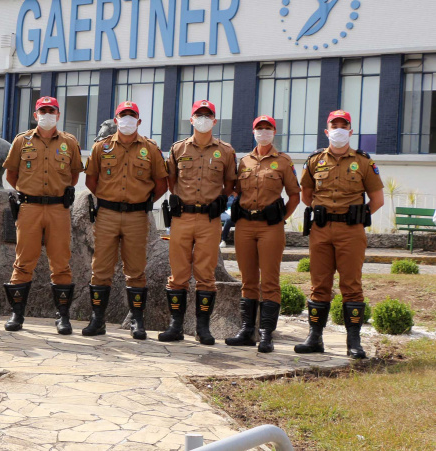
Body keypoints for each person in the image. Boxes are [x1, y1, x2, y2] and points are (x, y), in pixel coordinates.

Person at [295, 110, 384, 359]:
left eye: (343, 126)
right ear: (327, 131)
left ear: (351, 131)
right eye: (334, 126)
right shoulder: (314, 160)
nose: (339, 130)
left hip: (351, 231)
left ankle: (353, 342)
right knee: (319, 284)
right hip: (321, 230)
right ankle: (315, 338)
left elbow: (377, 200)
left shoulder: (364, 162)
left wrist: (357, 215)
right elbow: (306, 195)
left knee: (351, 285)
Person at [83, 101, 168, 338]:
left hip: (137, 216)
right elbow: (91, 180)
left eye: (132, 116)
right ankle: (97, 320)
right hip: (107, 214)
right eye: (123, 115)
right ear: (116, 119)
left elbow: (162, 184)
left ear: (139, 122)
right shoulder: (102, 147)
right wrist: (108, 199)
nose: (128, 120)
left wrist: (142, 201)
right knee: (100, 269)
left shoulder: (150, 149)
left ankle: (137, 322)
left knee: (136, 270)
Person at [2, 96, 83, 334]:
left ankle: (63, 317)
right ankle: (17, 314)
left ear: (58, 115)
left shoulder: (69, 142)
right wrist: (30, 192)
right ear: (35, 115)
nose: (47, 114)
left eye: (51, 110)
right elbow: (11, 176)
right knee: (23, 261)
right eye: (42, 111)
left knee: (60, 263)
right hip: (29, 208)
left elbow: (74, 175)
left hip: (58, 208)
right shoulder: (22, 141)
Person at [160, 100, 237, 345]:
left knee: (206, 274)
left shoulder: (226, 151)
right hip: (182, 217)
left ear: (214, 121)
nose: (203, 118)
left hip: (209, 219)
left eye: (208, 115)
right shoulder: (178, 149)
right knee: (178, 274)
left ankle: (203, 329)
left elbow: (230, 184)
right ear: (191, 120)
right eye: (198, 114)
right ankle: (176, 326)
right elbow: (171, 181)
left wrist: (219, 200)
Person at [224, 116, 300, 352]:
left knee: (269, 280)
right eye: (259, 128)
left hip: (270, 227)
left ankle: (266, 334)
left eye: (267, 129)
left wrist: (280, 218)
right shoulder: (243, 161)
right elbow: (234, 190)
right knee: (247, 280)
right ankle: (247, 331)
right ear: (253, 131)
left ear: (274, 132)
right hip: (245, 225)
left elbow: (294, 195)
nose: (263, 132)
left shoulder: (284, 162)